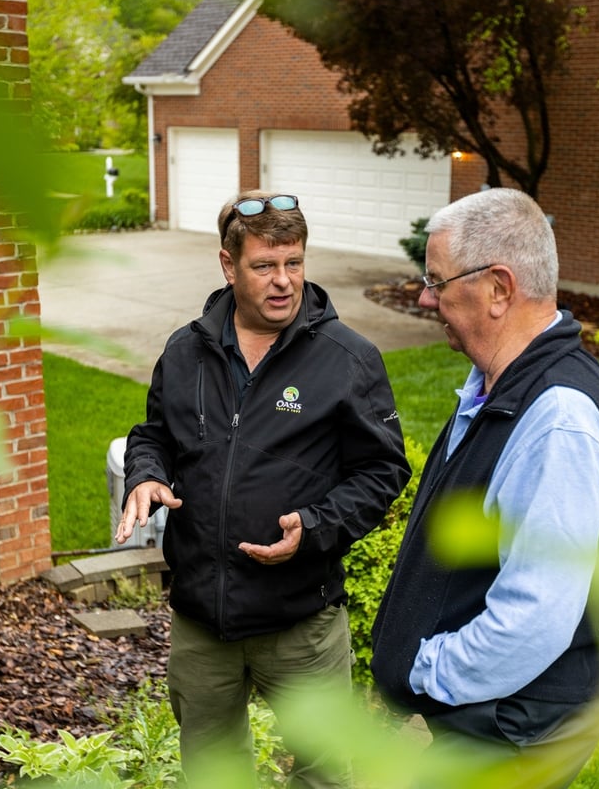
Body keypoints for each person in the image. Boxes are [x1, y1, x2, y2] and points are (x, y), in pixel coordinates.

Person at [118, 189, 411, 788]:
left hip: (299, 623)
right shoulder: (185, 352)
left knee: (322, 774)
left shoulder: (347, 359)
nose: (284, 282)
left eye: (294, 263)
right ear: (229, 267)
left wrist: (316, 527)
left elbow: (384, 472)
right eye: (264, 266)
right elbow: (154, 435)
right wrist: (145, 474)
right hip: (203, 625)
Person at [370, 188, 599, 788]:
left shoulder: (557, 418)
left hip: (512, 731)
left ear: (498, 288)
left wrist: (425, 669)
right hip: (489, 722)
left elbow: (535, 616)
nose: (424, 296)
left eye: (437, 281)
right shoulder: (500, 387)